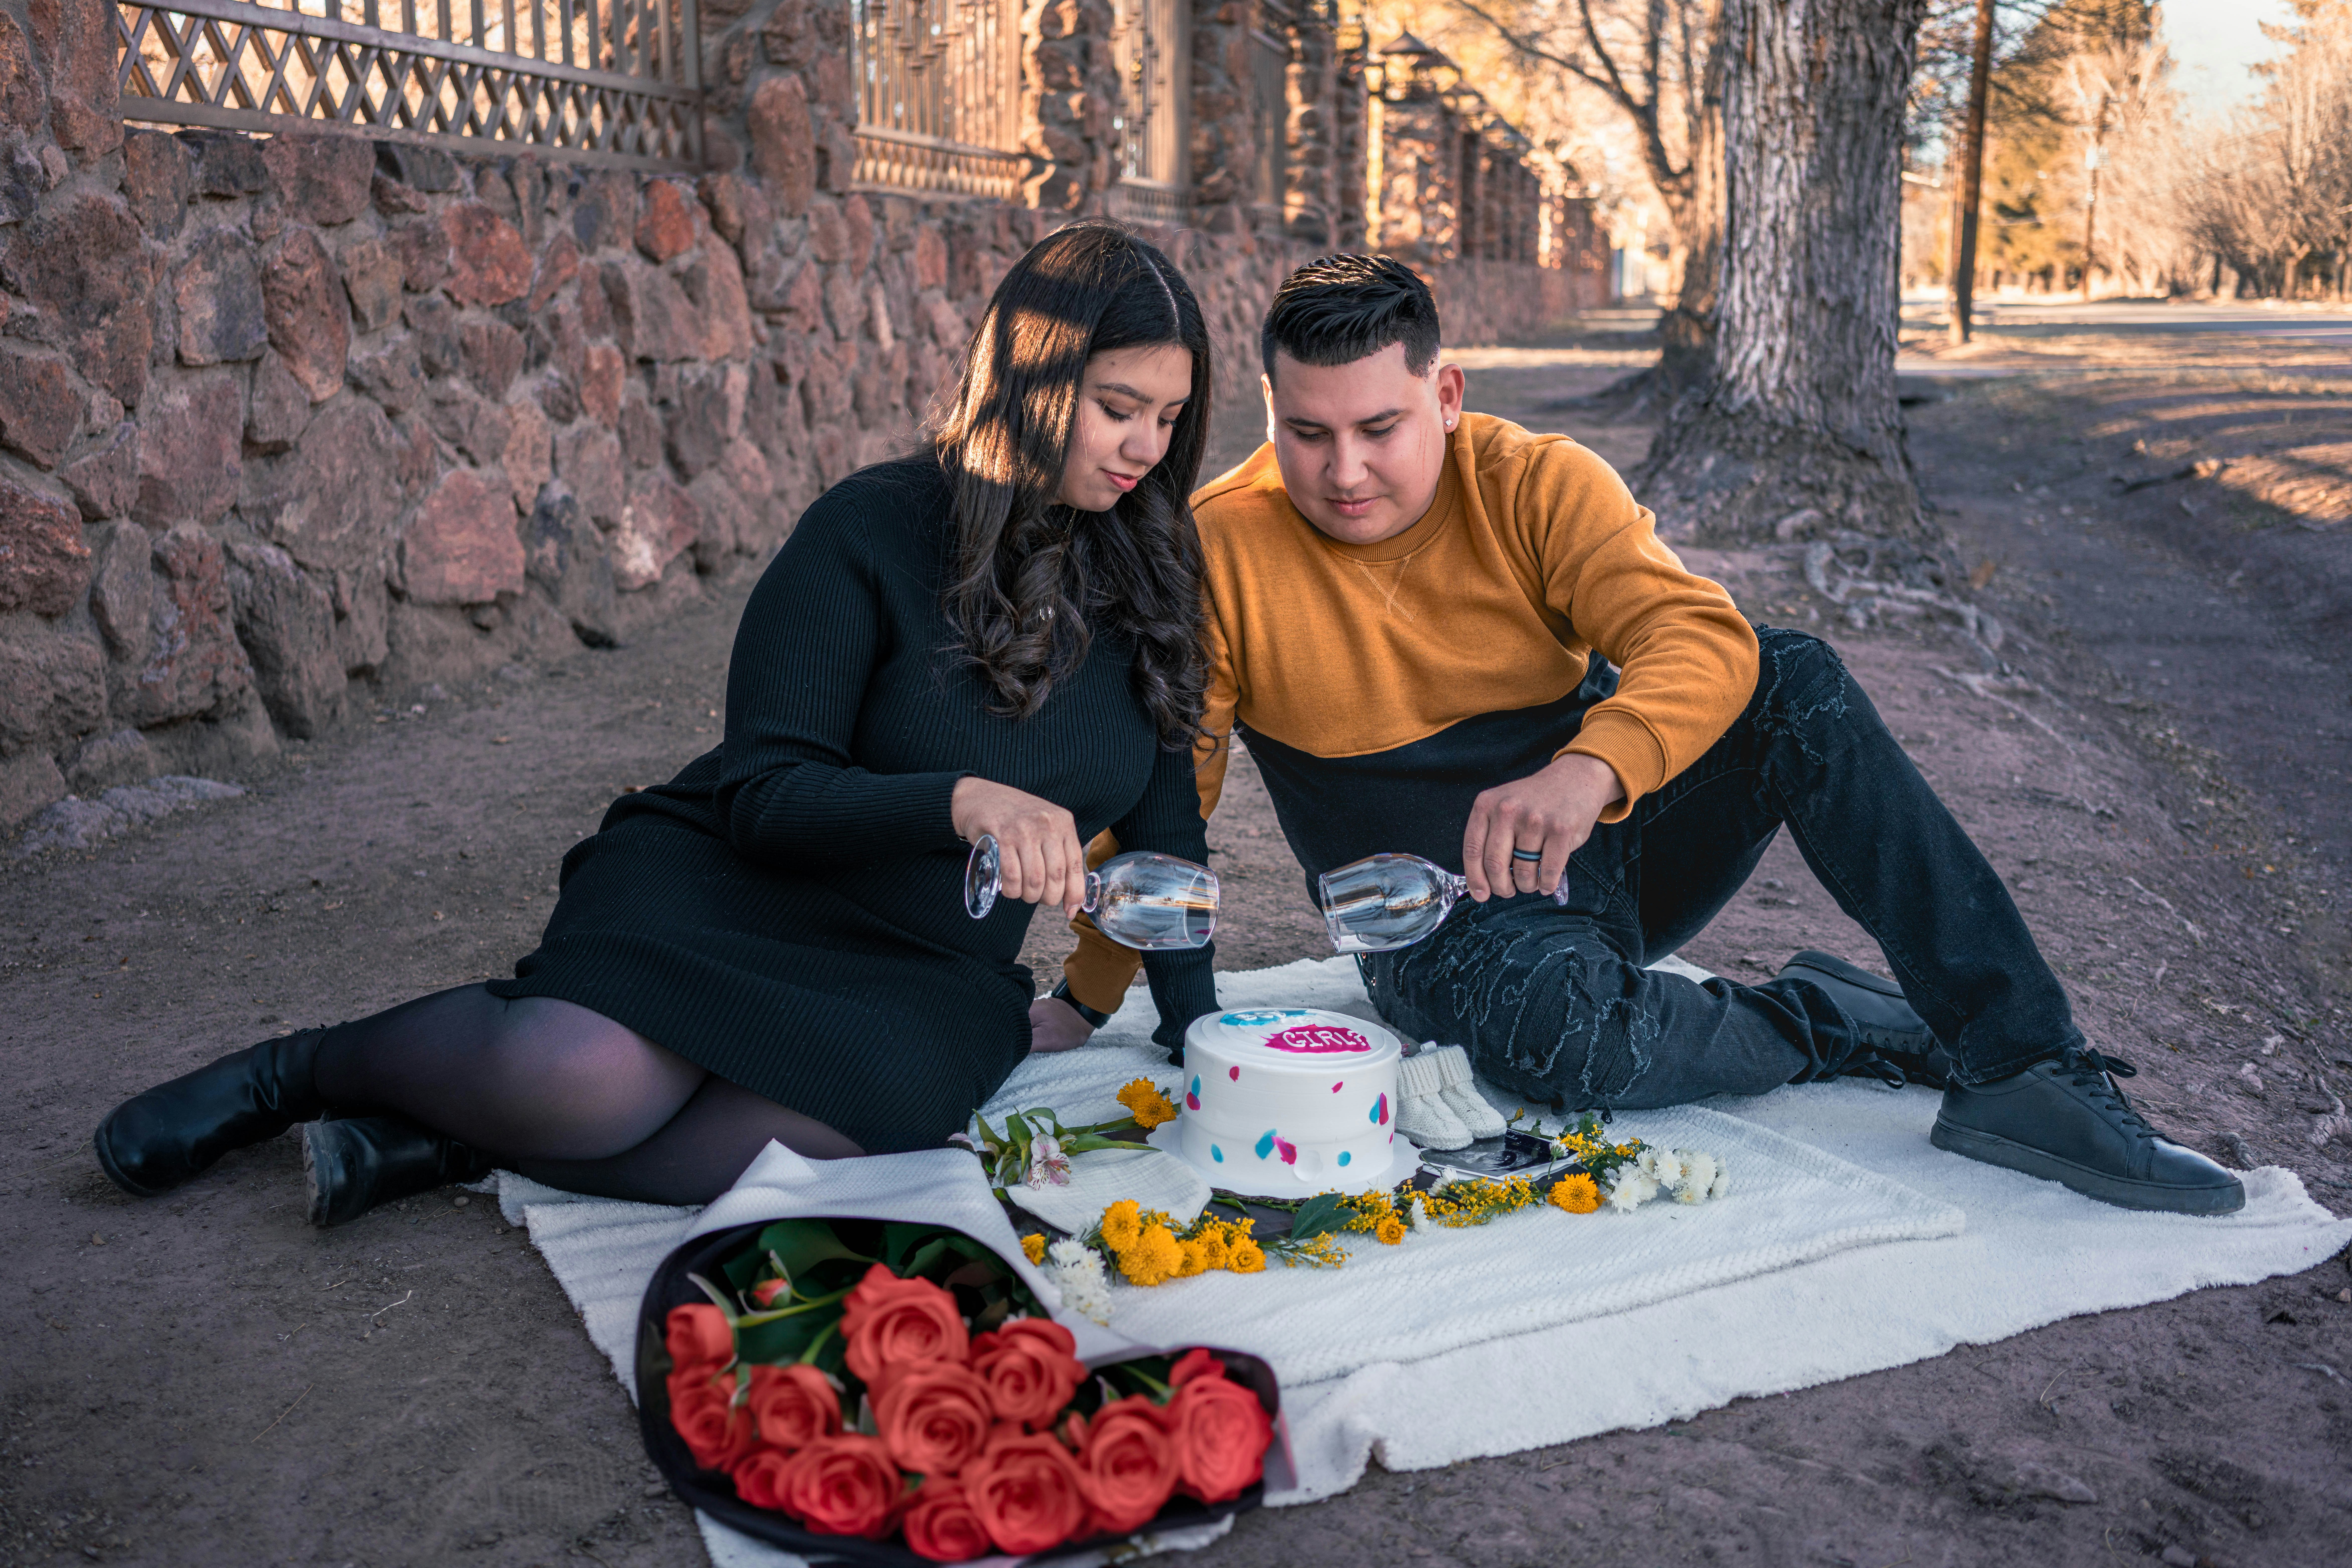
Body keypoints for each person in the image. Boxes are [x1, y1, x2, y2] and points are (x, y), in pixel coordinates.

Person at [1037, 254, 2242, 1217]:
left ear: (1446, 397)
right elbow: (1168, 795)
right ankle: (1830, 1020)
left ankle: (2023, 1062)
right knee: (1560, 1039)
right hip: (1436, 923)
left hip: (1602, 842)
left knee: (1797, 679)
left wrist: (1591, 766)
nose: (1345, 471)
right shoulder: (1219, 547)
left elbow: (1700, 639)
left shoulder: (1536, 480)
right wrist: (1090, 998)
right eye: (1309, 433)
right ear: (1270, 411)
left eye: (1381, 428)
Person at [93, 223, 1222, 1222]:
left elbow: (1170, 837)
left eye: (1169, 418)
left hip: (924, 965)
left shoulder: (1160, 573)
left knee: (861, 1131)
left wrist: (1203, 1037)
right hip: (740, 884)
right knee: (578, 1079)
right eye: (1117, 409)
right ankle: (293, 1073)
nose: (1145, 449)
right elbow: (768, 796)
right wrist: (960, 802)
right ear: (1030, 381)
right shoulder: (870, 530)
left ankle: (455, 1143)